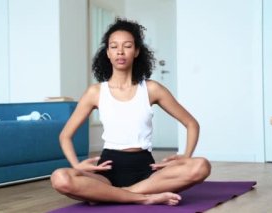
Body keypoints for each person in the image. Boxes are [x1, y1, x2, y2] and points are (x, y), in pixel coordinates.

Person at [50, 18, 211, 206]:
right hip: (107, 171)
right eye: (114, 46)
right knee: (59, 178)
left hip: (147, 172)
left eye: (127, 46)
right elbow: (65, 136)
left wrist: (185, 156)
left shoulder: (151, 89)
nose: (120, 51)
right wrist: (77, 165)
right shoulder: (95, 92)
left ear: (136, 52)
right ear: (107, 53)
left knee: (201, 166)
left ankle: (111, 195)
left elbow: (192, 124)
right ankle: (144, 198)